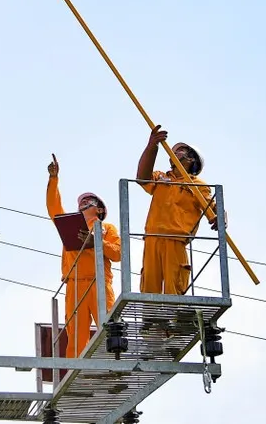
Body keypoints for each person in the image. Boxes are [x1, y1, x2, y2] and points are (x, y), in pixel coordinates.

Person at [46, 154, 121, 358]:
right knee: (76, 336)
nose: (83, 202)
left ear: (100, 209)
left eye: (89, 201)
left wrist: (97, 242)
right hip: (75, 285)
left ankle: (115, 365)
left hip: (99, 283)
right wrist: (53, 179)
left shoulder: (107, 228)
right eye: (81, 201)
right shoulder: (70, 226)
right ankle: (76, 369)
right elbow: (54, 209)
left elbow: (118, 253)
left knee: (110, 328)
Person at [136, 125, 216, 295]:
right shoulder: (161, 177)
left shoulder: (198, 185)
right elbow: (142, 178)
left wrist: (219, 218)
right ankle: (151, 313)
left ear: (191, 159)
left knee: (173, 288)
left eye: (180, 150)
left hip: (175, 240)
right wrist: (152, 146)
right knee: (149, 290)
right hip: (152, 238)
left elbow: (213, 209)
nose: (174, 153)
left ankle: (173, 312)